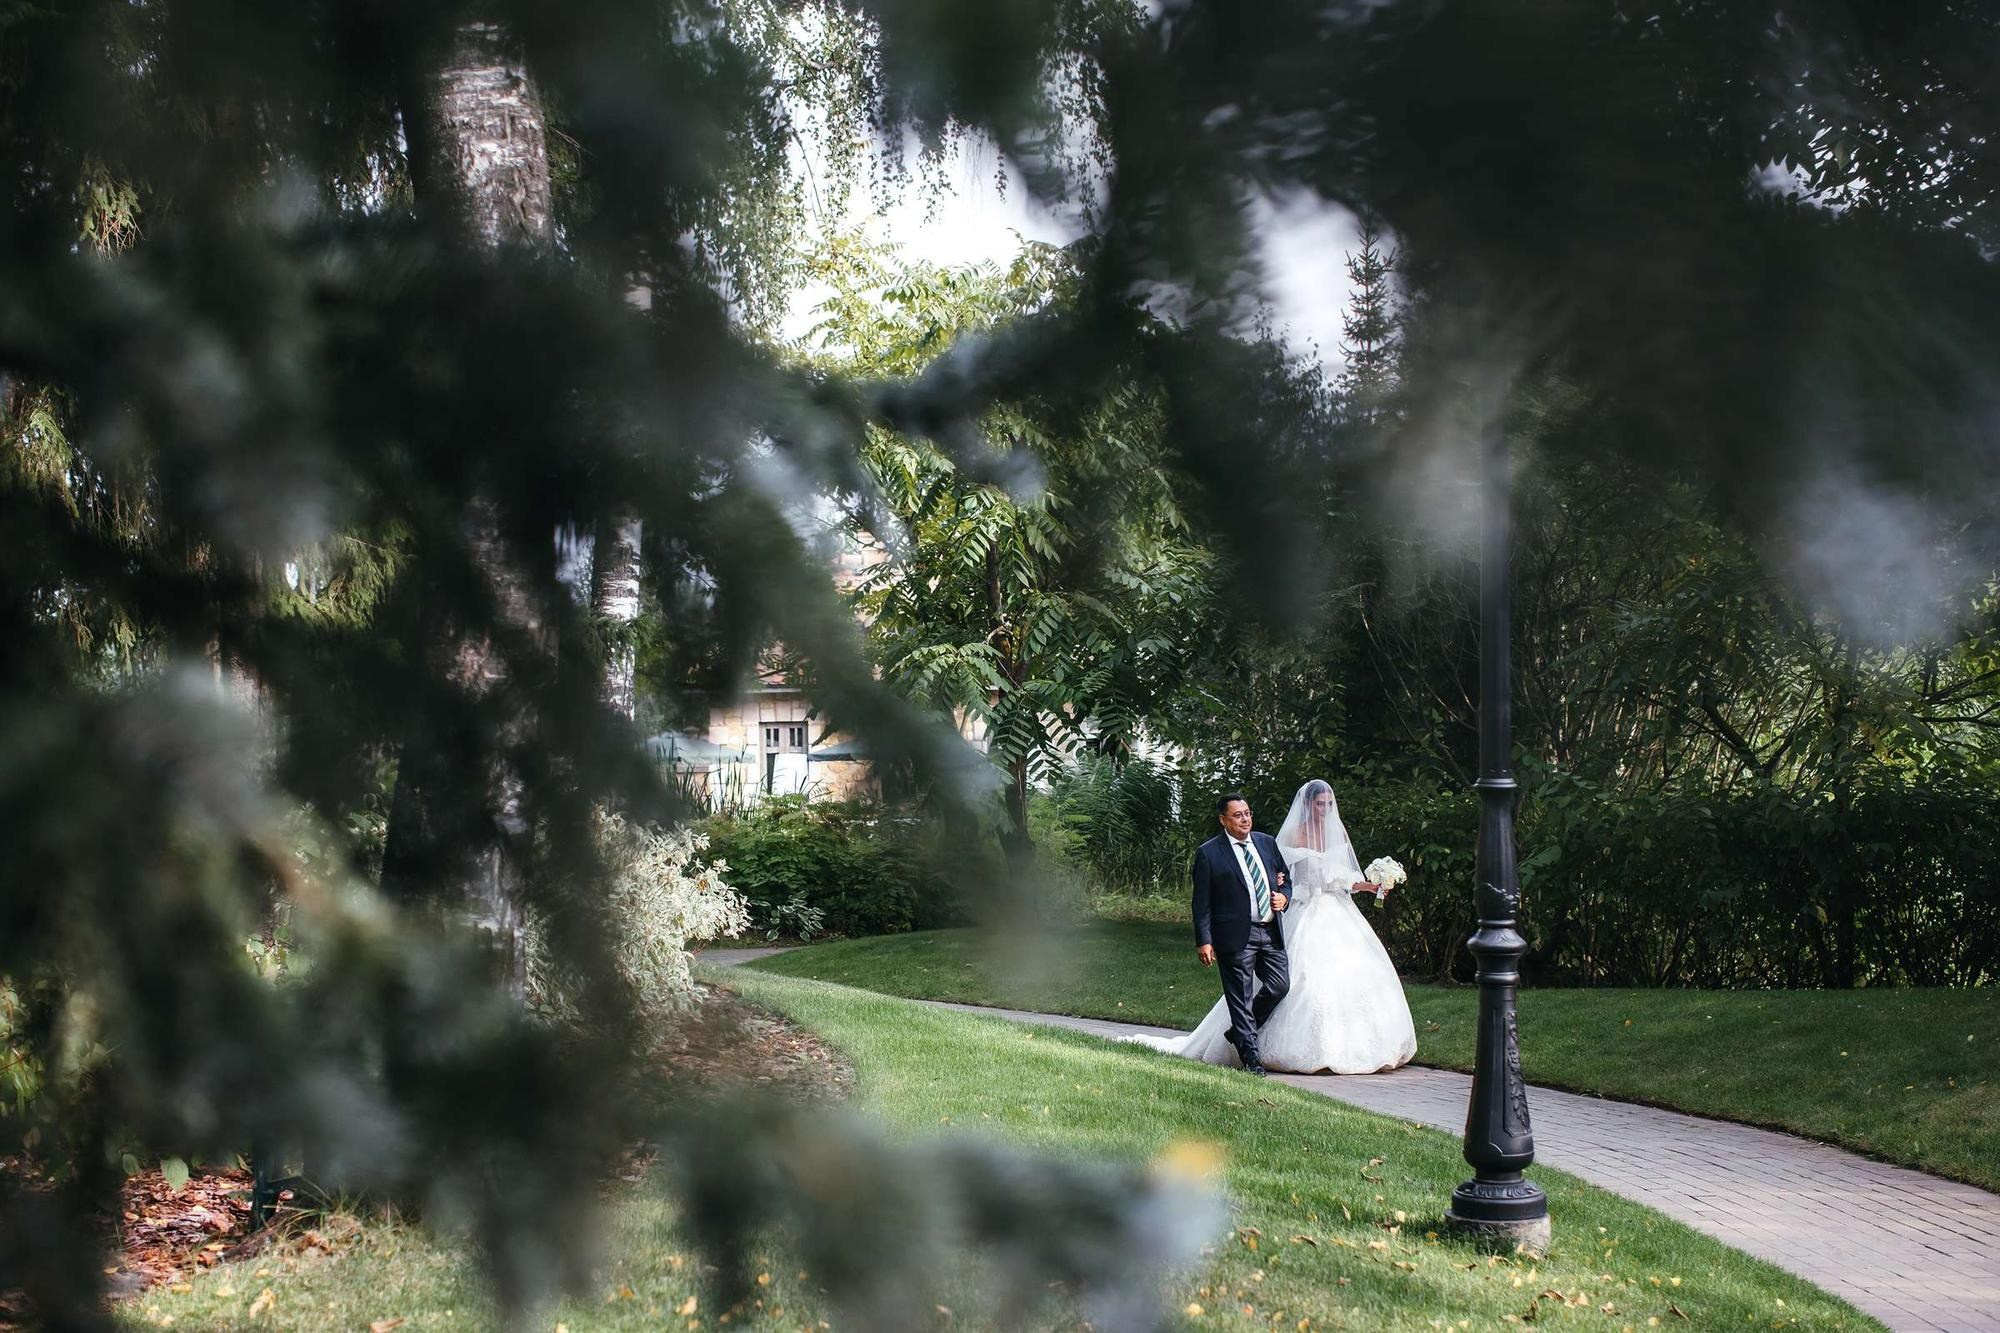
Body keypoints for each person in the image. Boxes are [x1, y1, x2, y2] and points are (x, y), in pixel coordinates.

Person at [1127, 781, 1417, 1075]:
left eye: (1329, 804)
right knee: (1250, 989)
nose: (1325, 810)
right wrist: (1206, 939)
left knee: (1282, 985)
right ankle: (1251, 1057)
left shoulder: (1308, 836)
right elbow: (1265, 880)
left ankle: (1241, 1032)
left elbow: (1332, 876)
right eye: (1320, 804)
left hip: (1316, 915)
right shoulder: (1269, 839)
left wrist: (1366, 886)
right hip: (1275, 921)